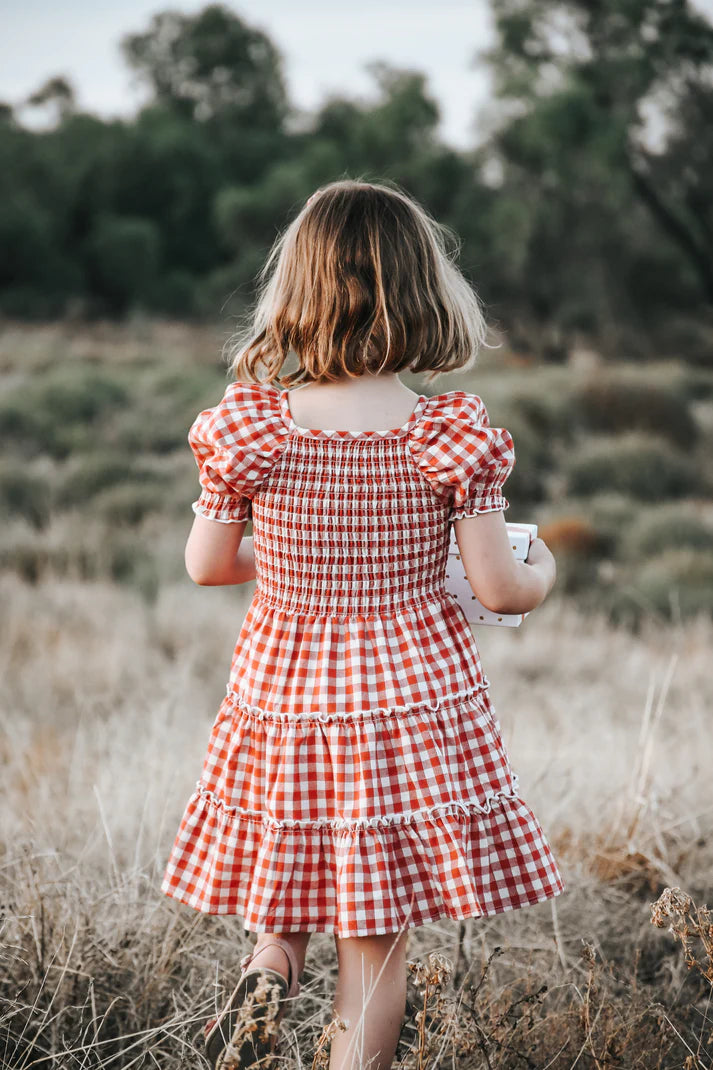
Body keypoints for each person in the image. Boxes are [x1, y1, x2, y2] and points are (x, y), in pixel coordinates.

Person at [161, 178, 564, 1070]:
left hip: (286, 688)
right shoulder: (445, 434)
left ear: (295, 291)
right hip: (404, 700)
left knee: (293, 842)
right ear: (425, 293)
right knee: (375, 931)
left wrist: (303, 562)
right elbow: (496, 590)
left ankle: (272, 957)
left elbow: (207, 566)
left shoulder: (255, 429)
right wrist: (543, 571)